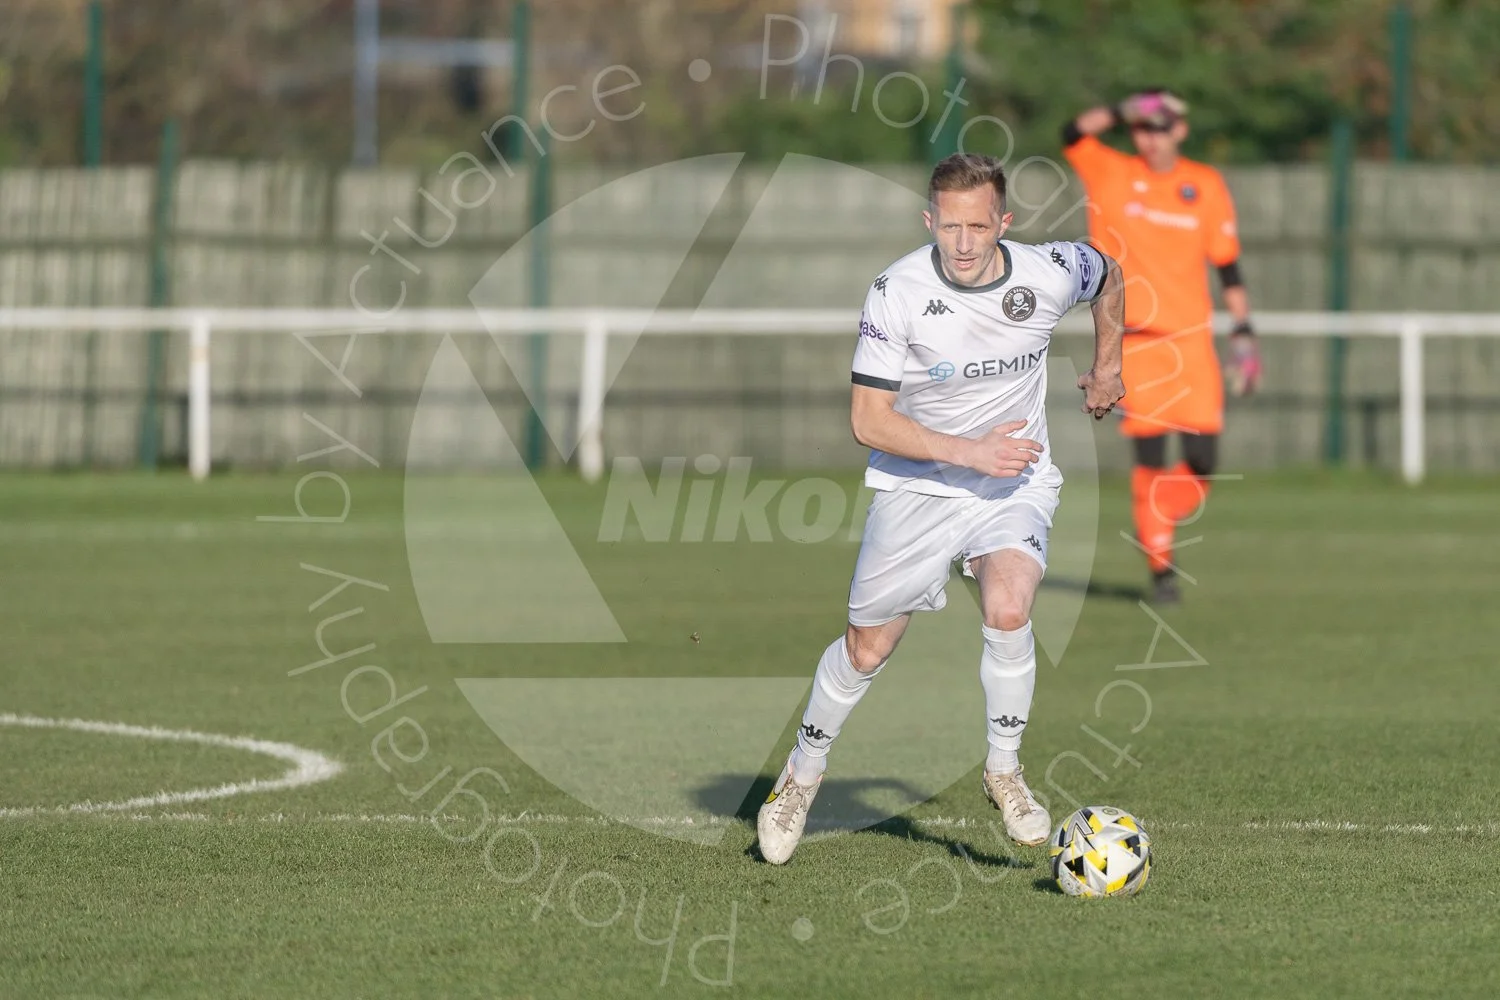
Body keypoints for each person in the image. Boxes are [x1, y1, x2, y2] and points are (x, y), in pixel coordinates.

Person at [755, 152, 1126, 864]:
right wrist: (967, 451)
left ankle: (1004, 769)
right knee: (867, 649)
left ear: (1004, 225)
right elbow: (869, 420)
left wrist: (1109, 364)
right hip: (918, 486)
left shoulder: (1048, 272)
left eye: (978, 227)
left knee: (1010, 607)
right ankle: (801, 776)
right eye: (948, 226)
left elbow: (1109, 272)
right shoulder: (896, 291)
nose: (961, 243)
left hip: (1012, 481)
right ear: (930, 220)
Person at [1063, 89, 1261, 603]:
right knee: (1149, 459)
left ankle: (1155, 521)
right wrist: (1127, 106)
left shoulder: (1204, 184)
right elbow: (1073, 133)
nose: (1150, 136)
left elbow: (1228, 264)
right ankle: (1161, 565)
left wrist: (1243, 331)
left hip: (1192, 344)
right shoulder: (1112, 174)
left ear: (1181, 130)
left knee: (1201, 463)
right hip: (1139, 344)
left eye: (1160, 126)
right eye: (1142, 128)